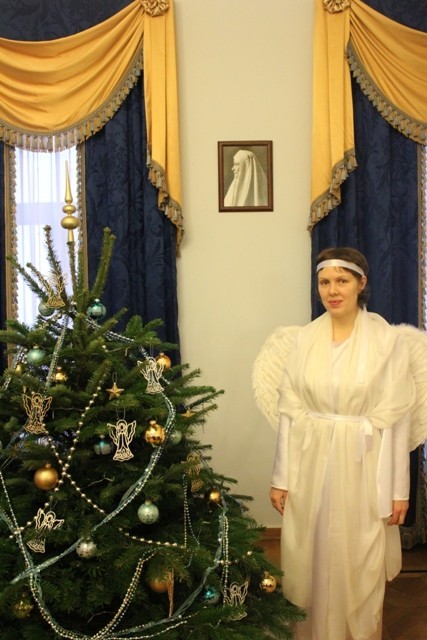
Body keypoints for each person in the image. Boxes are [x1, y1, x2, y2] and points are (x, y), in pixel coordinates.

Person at [252, 247, 427, 640]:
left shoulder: (388, 342)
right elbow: (290, 413)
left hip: (365, 464)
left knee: (359, 554)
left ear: (361, 283)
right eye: (325, 282)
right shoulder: (303, 340)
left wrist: (399, 491)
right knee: (310, 552)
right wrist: (281, 478)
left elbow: (396, 418)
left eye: (342, 281)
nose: (332, 291)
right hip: (310, 462)